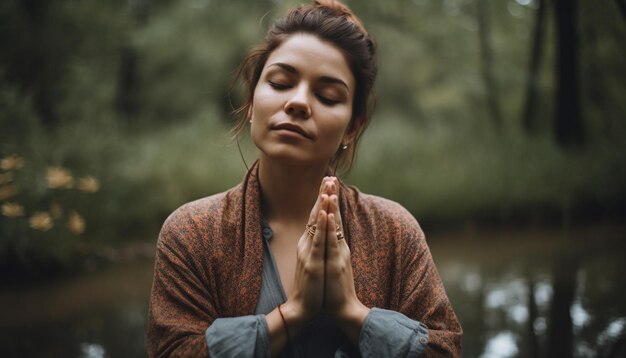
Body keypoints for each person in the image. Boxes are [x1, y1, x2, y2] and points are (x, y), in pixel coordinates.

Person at [146, 0, 462, 356]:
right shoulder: (192, 233)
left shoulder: (394, 231)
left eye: (327, 96)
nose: (298, 102)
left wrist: (352, 312)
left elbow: (443, 348)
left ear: (352, 128)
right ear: (252, 102)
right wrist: (293, 314)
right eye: (280, 83)